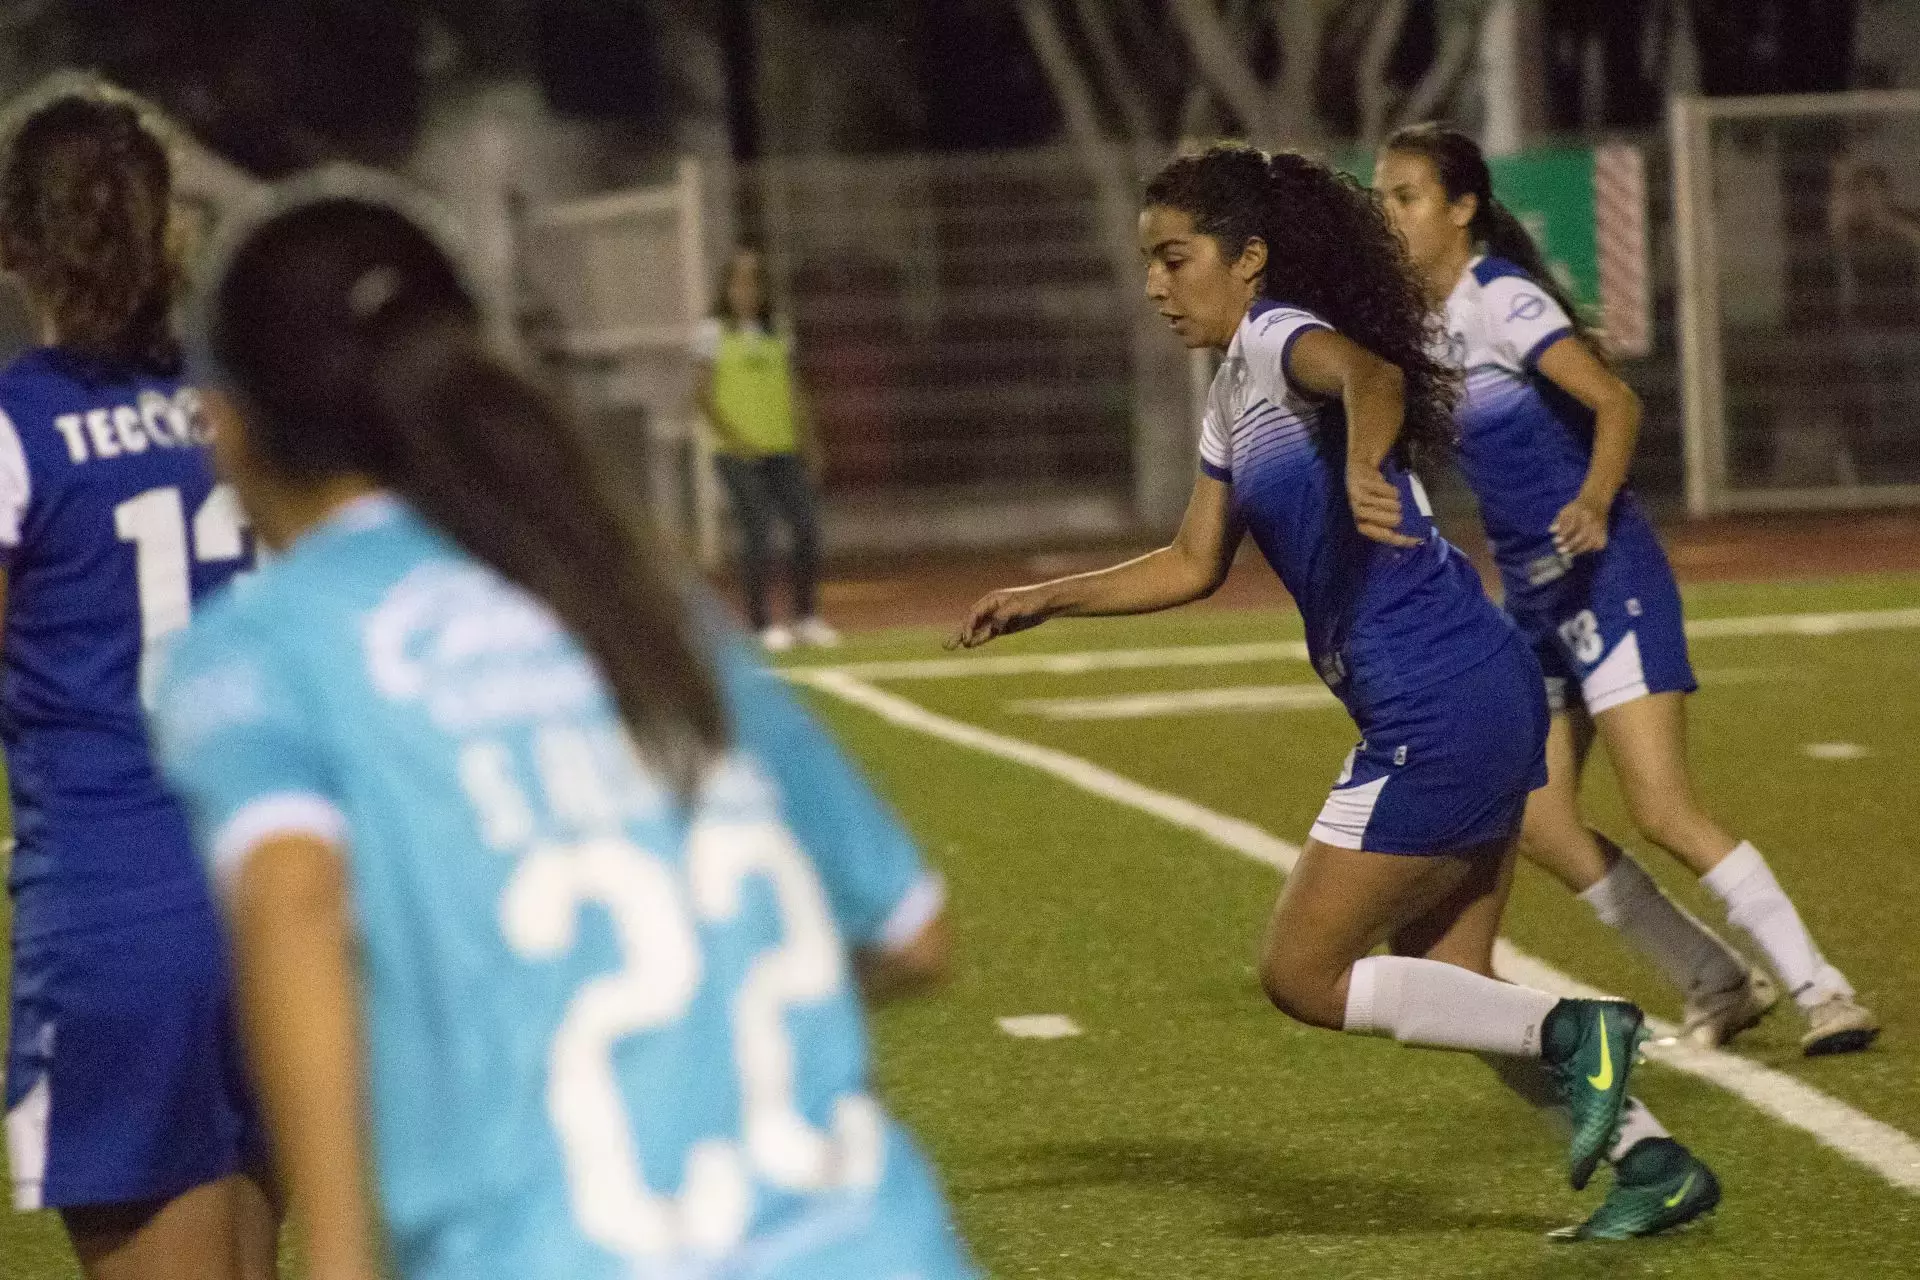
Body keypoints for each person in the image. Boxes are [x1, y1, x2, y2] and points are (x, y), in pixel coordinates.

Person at [150, 174, 976, 1280]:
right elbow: (913, 930)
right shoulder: (626, 594)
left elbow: (295, 896)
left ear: (228, 421)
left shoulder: (266, 645)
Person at [952, 142, 1716, 1240]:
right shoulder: (1231, 395)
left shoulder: (1273, 338)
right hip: (1475, 682)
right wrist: (1049, 595)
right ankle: (1654, 1158)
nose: (1158, 285)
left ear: (1249, 257)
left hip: (1436, 701)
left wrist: (1365, 459)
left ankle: (1576, 1028)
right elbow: (1190, 560)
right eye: (1149, 265)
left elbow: (1373, 375)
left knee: (1305, 972)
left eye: (1176, 259)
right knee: (1449, 978)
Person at [1375, 122, 1877, 1056]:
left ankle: (1824, 990)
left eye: (1405, 196)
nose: (1390, 213)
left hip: (1607, 578)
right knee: (1542, 820)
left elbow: (1616, 401)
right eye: (1384, 197)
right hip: (1533, 601)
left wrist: (1597, 501)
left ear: (1463, 208)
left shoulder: (1501, 299)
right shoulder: (1428, 321)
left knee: (1663, 810)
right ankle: (1714, 979)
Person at [0, 96, 276, 1279]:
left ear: (16, 245)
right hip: (275, 892)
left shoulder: (19, 424)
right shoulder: (243, 404)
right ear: (174, 234)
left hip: (122, 910)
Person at [693, 245, 839, 654]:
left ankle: (807, 617)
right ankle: (760, 623)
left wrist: (810, 440)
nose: (747, 289)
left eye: (754, 280)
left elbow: (794, 389)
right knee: (757, 529)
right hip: (737, 452)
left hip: (782, 448)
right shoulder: (712, 332)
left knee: (806, 527)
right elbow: (701, 394)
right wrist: (734, 438)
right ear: (727, 287)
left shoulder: (779, 330)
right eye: (739, 280)